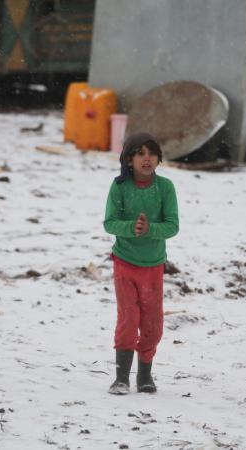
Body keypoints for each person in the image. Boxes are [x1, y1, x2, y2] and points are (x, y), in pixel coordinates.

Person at [103, 132, 179, 395]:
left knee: (152, 323)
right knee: (128, 318)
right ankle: (121, 377)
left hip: (153, 266)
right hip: (124, 263)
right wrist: (130, 227)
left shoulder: (166, 188)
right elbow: (109, 222)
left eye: (151, 153)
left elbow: (172, 226)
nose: (146, 159)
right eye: (140, 153)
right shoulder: (120, 187)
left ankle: (145, 376)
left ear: (158, 158)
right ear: (129, 159)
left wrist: (149, 229)